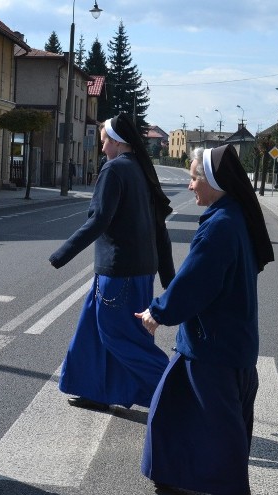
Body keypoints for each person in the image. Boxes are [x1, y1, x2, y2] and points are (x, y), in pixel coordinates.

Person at [136, 144, 275, 495]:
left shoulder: (220, 226)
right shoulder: (232, 216)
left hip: (212, 344)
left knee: (217, 422)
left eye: (196, 178)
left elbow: (194, 281)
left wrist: (157, 312)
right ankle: (175, 472)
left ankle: (231, 492)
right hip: (224, 339)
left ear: (214, 182)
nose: (191, 185)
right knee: (177, 409)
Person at [49, 112, 175, 412]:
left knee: (123, 338)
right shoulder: (143, 170)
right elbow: (160, 228)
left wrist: (60, 255)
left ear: (117, 143)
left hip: (119, 273)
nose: (102, 148)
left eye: (104, 141)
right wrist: (169, 278)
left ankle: (182, 395)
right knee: (91, 333)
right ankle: (95, 391)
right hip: (138, 272)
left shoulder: (114, 170)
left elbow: (99, 220)